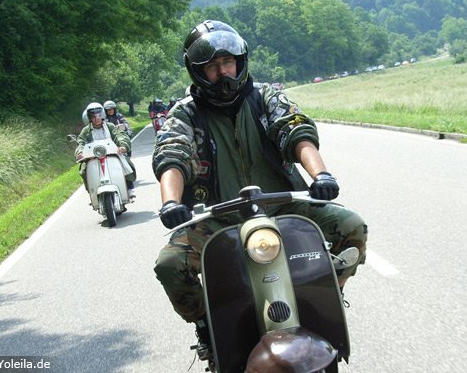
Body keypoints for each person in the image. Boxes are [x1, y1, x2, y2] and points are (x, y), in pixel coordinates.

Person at [151, 20, 367, 361]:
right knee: (170, 264)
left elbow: (294, 130)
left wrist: (321, 175)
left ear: (240, 62)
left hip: (282, 206)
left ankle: (329, 293)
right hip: (216, 219)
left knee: (352, 227)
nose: (223, 73)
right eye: (212, 67)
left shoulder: (265, 97)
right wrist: (170, 202)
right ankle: (207, 325)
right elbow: (172, 154)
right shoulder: (186, 114)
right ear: (197, 72)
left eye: (228, 62)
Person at [75, 102, 137, 198]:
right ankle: (92, 191)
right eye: (93, 117)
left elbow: (120, 135)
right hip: (93, 157)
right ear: (89, 118)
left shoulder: (110, 126)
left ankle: (129, 187)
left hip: (112, 153)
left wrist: (123, 146)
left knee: (126, 162)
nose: (96, 118)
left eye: (99, 115)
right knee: (83, 170)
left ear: (103, 115)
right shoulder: (86, 131)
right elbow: (81, 142)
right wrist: (80, 152)